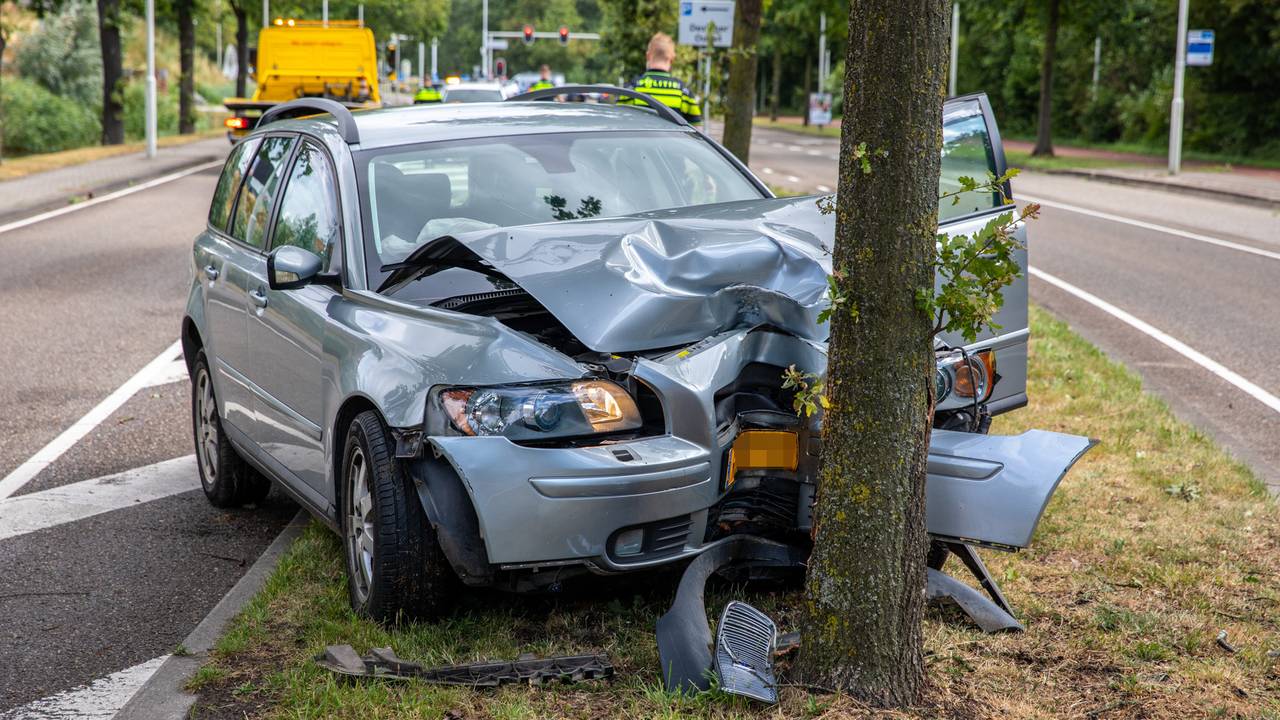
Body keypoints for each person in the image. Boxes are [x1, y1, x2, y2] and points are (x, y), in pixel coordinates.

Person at [619, 33, 701, 124]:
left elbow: (620, 123)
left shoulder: (631, 89)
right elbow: (696, 130)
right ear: (672, 59)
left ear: (648, 56)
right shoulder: (683, 92)